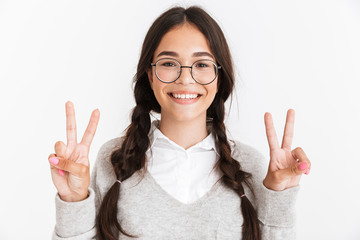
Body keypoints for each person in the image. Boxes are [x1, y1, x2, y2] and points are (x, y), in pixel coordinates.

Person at [48, 6, 311, 240]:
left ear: (219, 78)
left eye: (201, 64)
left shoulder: (250, 165)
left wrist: (279, 197)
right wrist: (73, 200)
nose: (186, 79)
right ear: (150, 75)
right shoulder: (114, 160)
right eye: (170, 63)